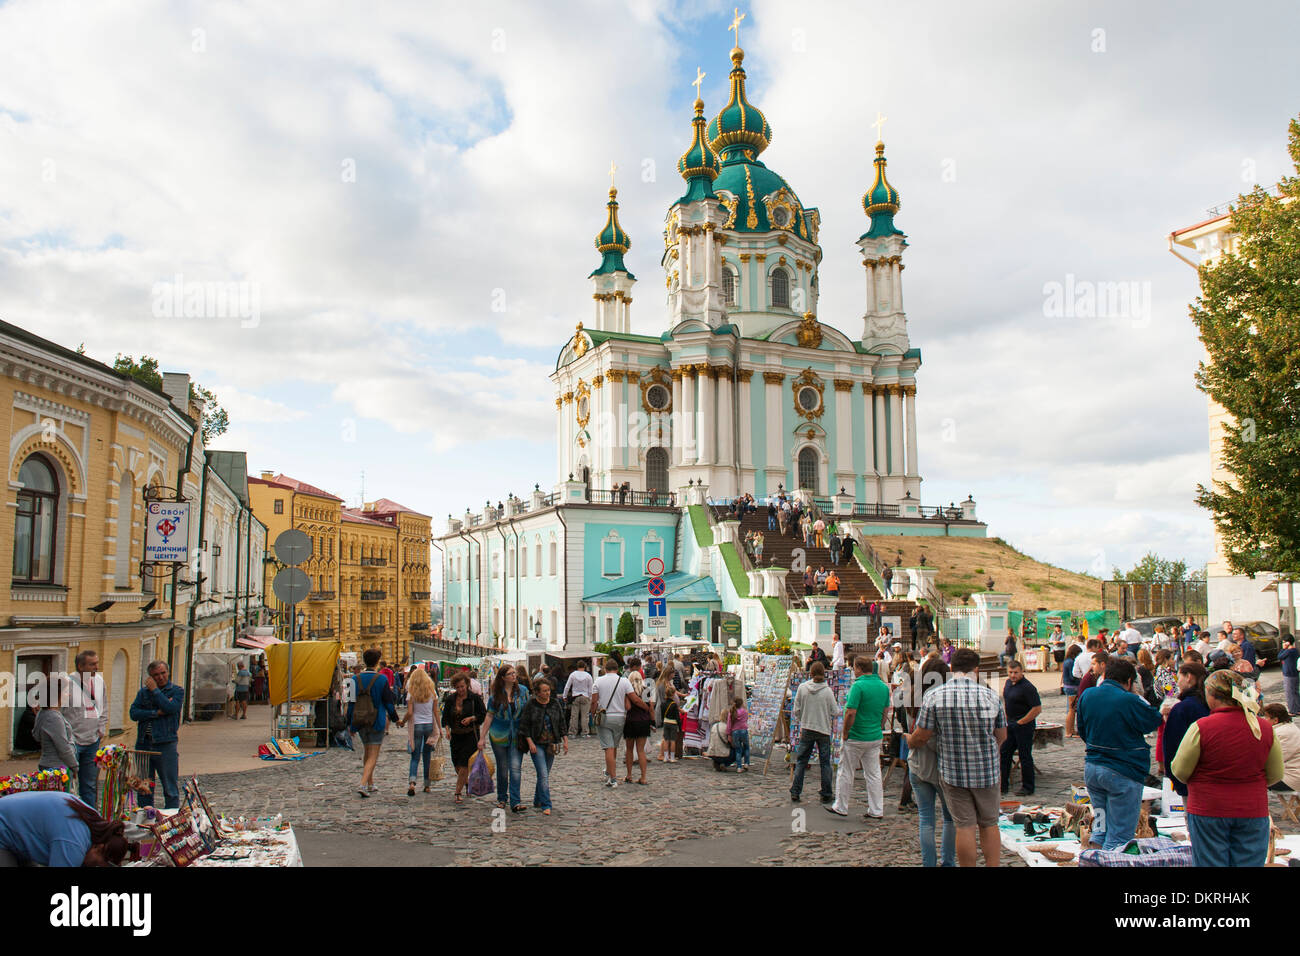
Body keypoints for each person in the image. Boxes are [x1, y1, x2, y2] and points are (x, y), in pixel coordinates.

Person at [1171, 670, 1284, 866]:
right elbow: (1275, 774)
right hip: (1252, 809)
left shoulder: (1202, 727)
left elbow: (1180, 770)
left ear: (1212, 696)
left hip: (1209, 809)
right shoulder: (1263, 727)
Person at [907, 648, 1007, 867]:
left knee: (964, 826)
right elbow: (1001, 735)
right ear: (976, 669)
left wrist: (909, 741)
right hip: (986, 771)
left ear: (952, 668)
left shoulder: (935, 695)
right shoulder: (991, 695)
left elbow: (922, 734)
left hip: (954, 771)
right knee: (989, 823)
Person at [1076, 656, 1164, 850]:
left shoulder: (1088, 695)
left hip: (1093, 771)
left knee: (1100, 827)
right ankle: (1109, 860)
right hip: (1122, 772)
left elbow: (1081, 729)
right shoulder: (1129, 700)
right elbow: (1152, 720)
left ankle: (1094, 859)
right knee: (1119, 835)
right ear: (1130, 682)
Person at [906, 656, 956, 867]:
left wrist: (911, 740)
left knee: (926, 819)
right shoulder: (947, 701)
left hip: (918, 764)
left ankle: (929, 863)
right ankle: (947, 862)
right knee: (949, 818)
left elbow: (912, 731)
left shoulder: (912, 698)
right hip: (943, 767)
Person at [826, 656, 889, 818]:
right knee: (874, 773)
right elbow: (885, 711)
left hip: (856, 735)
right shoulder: (883, 687)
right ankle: (876, 809)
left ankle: (841, 805)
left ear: (859, 668)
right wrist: (879, 727)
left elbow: (850, 712)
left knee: (846, 771)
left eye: (854, 667)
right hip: (874, 735)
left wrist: (845, 732)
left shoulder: (858, 686)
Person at [0, 792, 127, 867]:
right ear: (99, 848)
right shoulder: (73, 843)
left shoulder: (95, 821)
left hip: (13, 827)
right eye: (97, 864)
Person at [129, 659, 185, 809]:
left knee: (170, 787)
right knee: (144, 788)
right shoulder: (143, 693)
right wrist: (155, 713)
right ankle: (146, 819)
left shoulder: (176, 691)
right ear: (150, 677)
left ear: (168, 672)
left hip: (165, 744)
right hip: (144, 744)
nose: (160, 677)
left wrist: (155, 691)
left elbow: (170, 708)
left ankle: (172, 818)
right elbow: (134, 713)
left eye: (163, 673)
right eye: (156, 675)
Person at [346, 649, 400, 798]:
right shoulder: (382, 679)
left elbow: (350, 703)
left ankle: (370, 783)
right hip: (376, 720)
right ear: (377, 662)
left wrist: (349, 723)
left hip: (360, 720)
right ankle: (363, 784)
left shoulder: (354, 679)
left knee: (367, 751)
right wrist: (396, 719)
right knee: (373, 754)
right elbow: (389, 703)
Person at [789, 661, 842, 804]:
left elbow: (796, 709)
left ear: (810, 673)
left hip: (807, 727)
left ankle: (796, 791)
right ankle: (826, 792)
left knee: (801, 761)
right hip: (823, 729)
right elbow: (835, 711)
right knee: (825, 763)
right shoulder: (827, 691)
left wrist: (802, 720)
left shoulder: (803, 688)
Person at [479, 664, 529, 812]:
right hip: (499, 735)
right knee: (502, 768)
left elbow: (528, 711)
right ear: (503, 677)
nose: (514, 676)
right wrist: (482, 737)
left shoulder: (523, 692)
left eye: (514, 673)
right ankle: (502, 798)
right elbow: (489, 715)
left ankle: (515, 801)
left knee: (515, 768)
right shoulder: (496, 695)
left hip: (517, 735)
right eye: (510, 674)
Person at [518, 676, 569, 815]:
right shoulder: (531, 704)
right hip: (536, 742)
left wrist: (565, 740)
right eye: (544, 691)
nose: (547, 693)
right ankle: (546, 804)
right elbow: (524, 725)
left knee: (544, 773)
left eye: (548, 690)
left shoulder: (554, 703)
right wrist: (530, 742)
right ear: (538, 692)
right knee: (543, 773)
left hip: (551, 743)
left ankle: (537, 799)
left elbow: (561, 722)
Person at [1161, 662, 1210, 799]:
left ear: (1188, 677)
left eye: (1179, 677)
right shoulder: (1210, 703)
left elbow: (1172, 747)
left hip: (1192, 780)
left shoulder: (1182, 708)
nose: (1178, 682)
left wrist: (1177, 782)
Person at [64, 650, 106, 807]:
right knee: (70, 785)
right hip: (73, 742)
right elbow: (58, 712)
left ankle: (91, 819)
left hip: (93, 741)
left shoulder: (100, 682)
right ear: (81, 666)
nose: (96, 667)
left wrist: (101, 728)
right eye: (92, 664)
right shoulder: (67, 684)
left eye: (97, 663)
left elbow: (103, 708)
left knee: (89, 785)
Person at [592, 658, 637, 788]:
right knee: (614, 746)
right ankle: (610, 770)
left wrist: (593, 713)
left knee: (608, 748)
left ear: (605, 669)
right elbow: (632, 697)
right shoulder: (623, 681)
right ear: (617, 669)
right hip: (620, 717)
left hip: (605, 716)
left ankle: (612, 777)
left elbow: (594, 701)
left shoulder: (598, 681)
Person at [442, 672, 486, 804]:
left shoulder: (474, 699)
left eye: (462, 686)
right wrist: (447, 730)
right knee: (456, 764)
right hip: (456, 735)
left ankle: (457, 792)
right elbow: (445, 717)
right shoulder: (451, 699)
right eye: (458, 687)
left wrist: (472, 718)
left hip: (470, 735)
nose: (461, 690)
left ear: (467, 685)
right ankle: (466, 782)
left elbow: (483, 714)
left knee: (464, 764)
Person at [999, 661, 1042, 796]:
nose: (1013, 675)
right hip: (1010, 724)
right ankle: (1002, 785)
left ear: (1021, 672)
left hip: (1024, 725)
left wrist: (1021, 722)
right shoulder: (1007, 683)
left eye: (1016, 672)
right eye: (1010, 672)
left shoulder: (1028, 687)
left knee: (1025, 756)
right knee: (1004, 753)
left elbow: (1037, 708)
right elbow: (1007, 702)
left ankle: (1028, 786)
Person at [398, 668, 442, 796]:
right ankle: (427, 785)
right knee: (427, 756)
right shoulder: (432, 692)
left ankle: (412, 783)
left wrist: (403, 721)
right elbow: (436, 711)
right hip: (429, 725)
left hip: (416, 726)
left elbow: (410, 712)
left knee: (415, 756)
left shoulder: (411, 693)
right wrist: (439, 728)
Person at [33, 678, 78, 789]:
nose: (68, 695)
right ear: (57, 694)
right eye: (66, 692)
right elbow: (63, 748)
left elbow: (36, 735)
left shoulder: (43, 713)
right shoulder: (53, 717)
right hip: (57, 768)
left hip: (49, 765)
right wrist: (75, 766)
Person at [622, 658, 654, 785]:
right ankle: (643, 777)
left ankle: (629, 775)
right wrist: (652, 722)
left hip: (631, 721)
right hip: (644, 721)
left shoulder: (629, 691)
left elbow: (628, 707)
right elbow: (651, 707)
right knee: (641, 750)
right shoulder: (646, 690)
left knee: (629, 750)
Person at [1261, 704, 1300, 792]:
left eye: (1266, 717)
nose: (1264, 720)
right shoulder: (1289, 727)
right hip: (1293, 774)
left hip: (1291, 778)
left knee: (1254, 779)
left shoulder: (1281, 733)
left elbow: (1274, 759)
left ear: (1275, 720)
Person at [1062, 644, 1083, 738]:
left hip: (1068, 686)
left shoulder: (1067, 661)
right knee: (1071, 709)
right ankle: (1069, 731)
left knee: (1071, 709)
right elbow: (1072, 676)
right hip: (1072, 687)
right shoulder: (1070, 662)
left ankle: (1071, 730)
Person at [658, 685, 681, 763]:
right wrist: (679, 726)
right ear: (673, 694)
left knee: (666, 740)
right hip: (673, 723)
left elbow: (662, 714)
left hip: (665, 722)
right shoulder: (674, 704)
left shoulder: (663, 704)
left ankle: (665, 757)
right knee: (673, 740)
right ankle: (672, 757)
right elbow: (677, 716)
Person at [727, 697, 750, 772]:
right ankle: (746, 763)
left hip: (735, 731)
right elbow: (746, 720)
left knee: (738, 749)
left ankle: (739, 767)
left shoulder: (732, 712)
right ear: (742, 704)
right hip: (743, 730)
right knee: (746, 747)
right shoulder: (745, 712)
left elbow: (729, 724)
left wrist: (729, 734)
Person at [1279, 635, 1299, 715]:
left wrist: (1283, 648)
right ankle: (1297, 708)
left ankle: (1292, 710)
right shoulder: (1295, 650)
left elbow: (1280, 656)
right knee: (1295, 692)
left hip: (1289, 674)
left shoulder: (1288, 651)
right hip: (1294, 674)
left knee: (1289, 693)